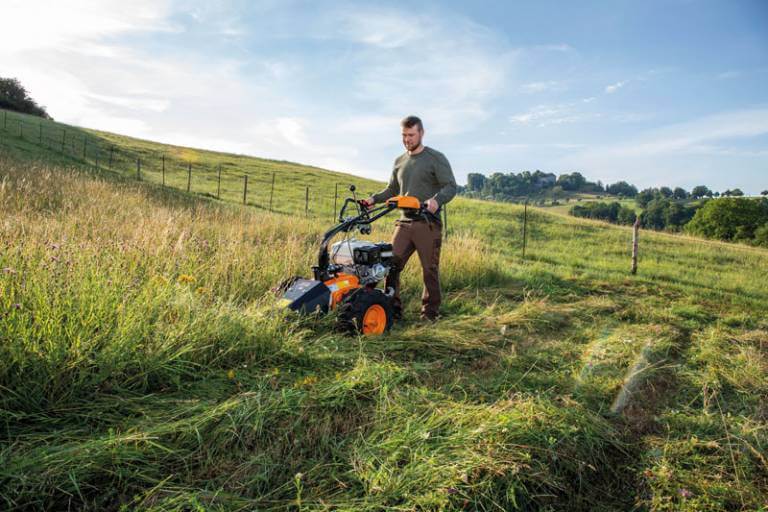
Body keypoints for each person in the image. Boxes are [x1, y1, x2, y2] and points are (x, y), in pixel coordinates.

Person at [361, 115, 457, 322]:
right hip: (404, 223)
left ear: (421, 133)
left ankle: (430, 314)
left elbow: (450, 186)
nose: (407, 140)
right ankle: (392, 309)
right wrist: (373, 199)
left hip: (427, 223)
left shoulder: (435, 158)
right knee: (390, 265)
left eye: (411, 135)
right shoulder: (399, 161)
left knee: (429, 270)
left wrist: (437, 200)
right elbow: (392, 189)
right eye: (404, 135)